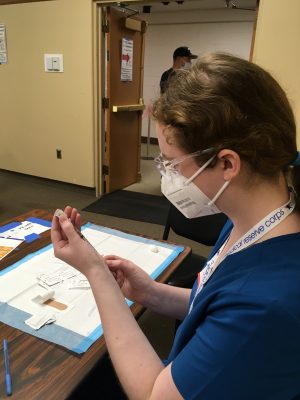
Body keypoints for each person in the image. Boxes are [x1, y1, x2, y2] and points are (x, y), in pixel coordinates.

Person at [51, 52, 300, 399]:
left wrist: (95, 272)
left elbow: (155, 394)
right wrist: (151, 293)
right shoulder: (254, 219)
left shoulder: (266, 305)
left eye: (172, 163)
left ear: (228, 163)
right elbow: (213, 302)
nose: (167, 176)